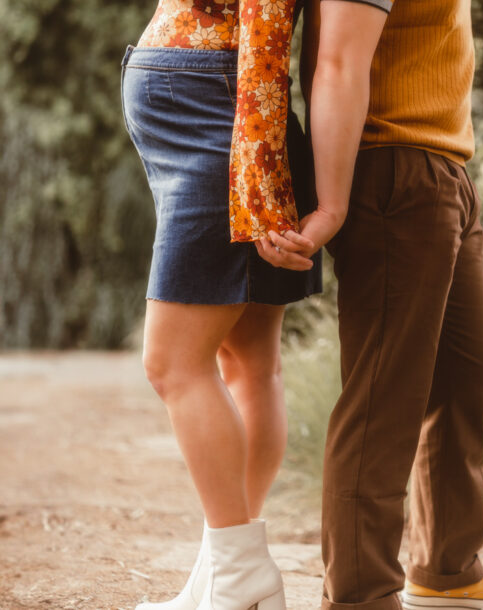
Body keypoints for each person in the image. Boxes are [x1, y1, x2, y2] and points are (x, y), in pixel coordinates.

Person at [257, 1, 483, 609]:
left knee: (469, 376)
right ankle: (361, 594)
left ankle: (446, 570)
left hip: (443, 167)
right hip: (394, 168)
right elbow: (335, 63)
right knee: (383, 397)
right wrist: (331, 207)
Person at [120, 1, 322, 608]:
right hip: (221, 118)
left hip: (225, 126)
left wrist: (258, 182)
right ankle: (225, 569)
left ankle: (238, 568)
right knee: (249, 364)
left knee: (173, 365)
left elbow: (267, 24)